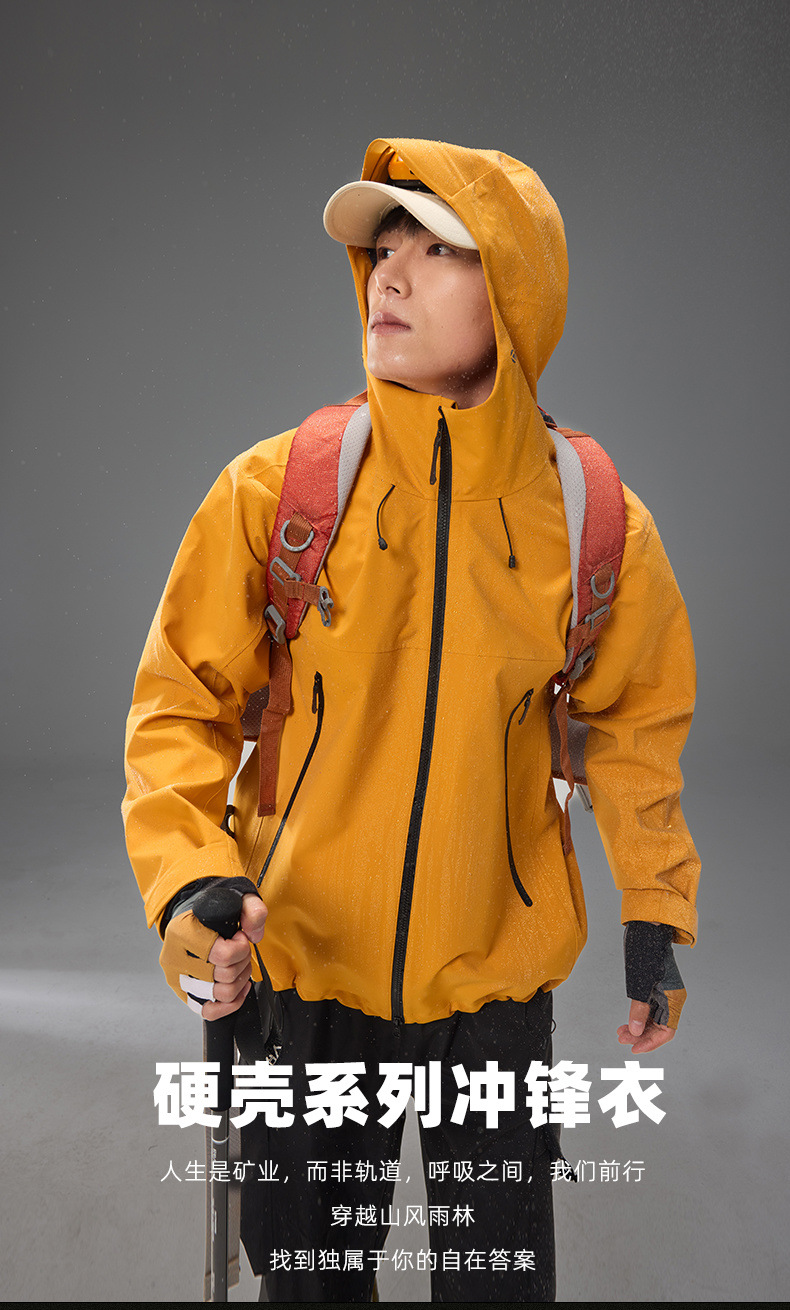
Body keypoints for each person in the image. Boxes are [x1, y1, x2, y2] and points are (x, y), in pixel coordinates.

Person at [123, 137, 700, 1302]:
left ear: (517, 294)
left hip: (493, 991)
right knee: (309, 1277)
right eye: (381, 248)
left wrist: (655, 908)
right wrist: (190, 887)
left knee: (494, 1281)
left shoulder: (593, 521)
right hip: (302, 975)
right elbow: (180, 708)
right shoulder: (278, 491)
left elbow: (634, 721)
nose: (388, 274)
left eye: (437, 251)